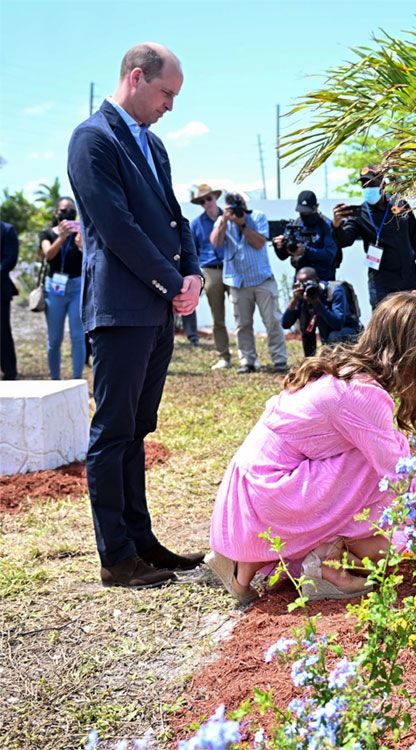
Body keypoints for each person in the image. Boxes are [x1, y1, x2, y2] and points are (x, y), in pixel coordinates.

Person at [206, 293, 416, 604]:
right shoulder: (362, 395)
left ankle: (293, 561)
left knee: (380, 538)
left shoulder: (352, 374)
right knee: (377, 473)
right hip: (269, 490)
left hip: (262, 485)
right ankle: (317, 564)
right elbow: (404, 480)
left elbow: (406, 469)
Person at [67, 42, 205, 589]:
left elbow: (175, 219)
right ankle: (116, 556)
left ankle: (143, 541)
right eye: (166, 93)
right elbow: (116, 225)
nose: (170, 105)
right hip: (122, 308)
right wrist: (174, 284)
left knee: (137, 429)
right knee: (113, 430)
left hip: (155, 307)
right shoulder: (93, 139)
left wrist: (190, 273)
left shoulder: (153, 145)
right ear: (137, 76)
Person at [332, 165, 416, 309]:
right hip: (381, 282)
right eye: (364, 185)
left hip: (407, 277)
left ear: (383, 185)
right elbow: (345, 241)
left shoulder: (400, 205)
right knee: (384, 325)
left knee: (411, 322)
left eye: (372, 184)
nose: (368, 188)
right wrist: (336, 226)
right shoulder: (359, 214)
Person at [210, 192, 288, 374]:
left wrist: (242, 224)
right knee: (242, 324)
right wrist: (223, 221)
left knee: (272, 321)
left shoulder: (258, 216)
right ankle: (247, 360)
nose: (237, 210)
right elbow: (215, 243)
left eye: (239, 205)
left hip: (262, 279)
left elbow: (259, 243)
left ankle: (279, 360)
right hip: (238, 281)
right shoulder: (223, 221)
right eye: (233, 207)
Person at [39, 197, 86, 380]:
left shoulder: (81, 232)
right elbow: (48, 255)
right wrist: (62, 237)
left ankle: (76, 379)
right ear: (56, 213)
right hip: (55, 290)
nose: (68, 213)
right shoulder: (47, 234)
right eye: (64, 210)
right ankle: (55, 380)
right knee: (54, 340)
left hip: (76, 287)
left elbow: (88, 256)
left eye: (71, 210)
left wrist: (81, 244)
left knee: (78, 336)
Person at [189, 183, 232, 368]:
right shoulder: (196, 224)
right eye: (202, 201)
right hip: (210, 269)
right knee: (217, 316)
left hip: (232, 267)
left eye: (209, 198)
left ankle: (248, 355)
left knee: (241, 314)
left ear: (215, 198)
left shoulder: (230, 216)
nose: (206, 203)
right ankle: (224, 356)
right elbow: (193, 252)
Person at [281, 266, 362, 357]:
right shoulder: (303, 295)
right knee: (306, 327)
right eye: (302, 284)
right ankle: (311, 361)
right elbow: (285, 324)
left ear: (317, 280)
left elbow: (338, 324)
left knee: (334, 336)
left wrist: (317, 303)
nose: (306, 287)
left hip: (349, 333)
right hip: (328, 340)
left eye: (308, 283)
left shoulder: (335, 290)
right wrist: (294, 300)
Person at [273, 190, 338, 282]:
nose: (304, 215)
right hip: (301, 280)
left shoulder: (326, 226)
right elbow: (283, 256)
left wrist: (305, 250)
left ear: (316, 207)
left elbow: (329, 256)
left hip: (324, 279)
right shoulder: (295, 224)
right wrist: (278, 246)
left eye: (307, 212)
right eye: (302, 212)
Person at [0, 221, 19, 380]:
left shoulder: (7, 230)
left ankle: (9, 371)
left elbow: (10, 259)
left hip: (0, 288)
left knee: (2, 331)